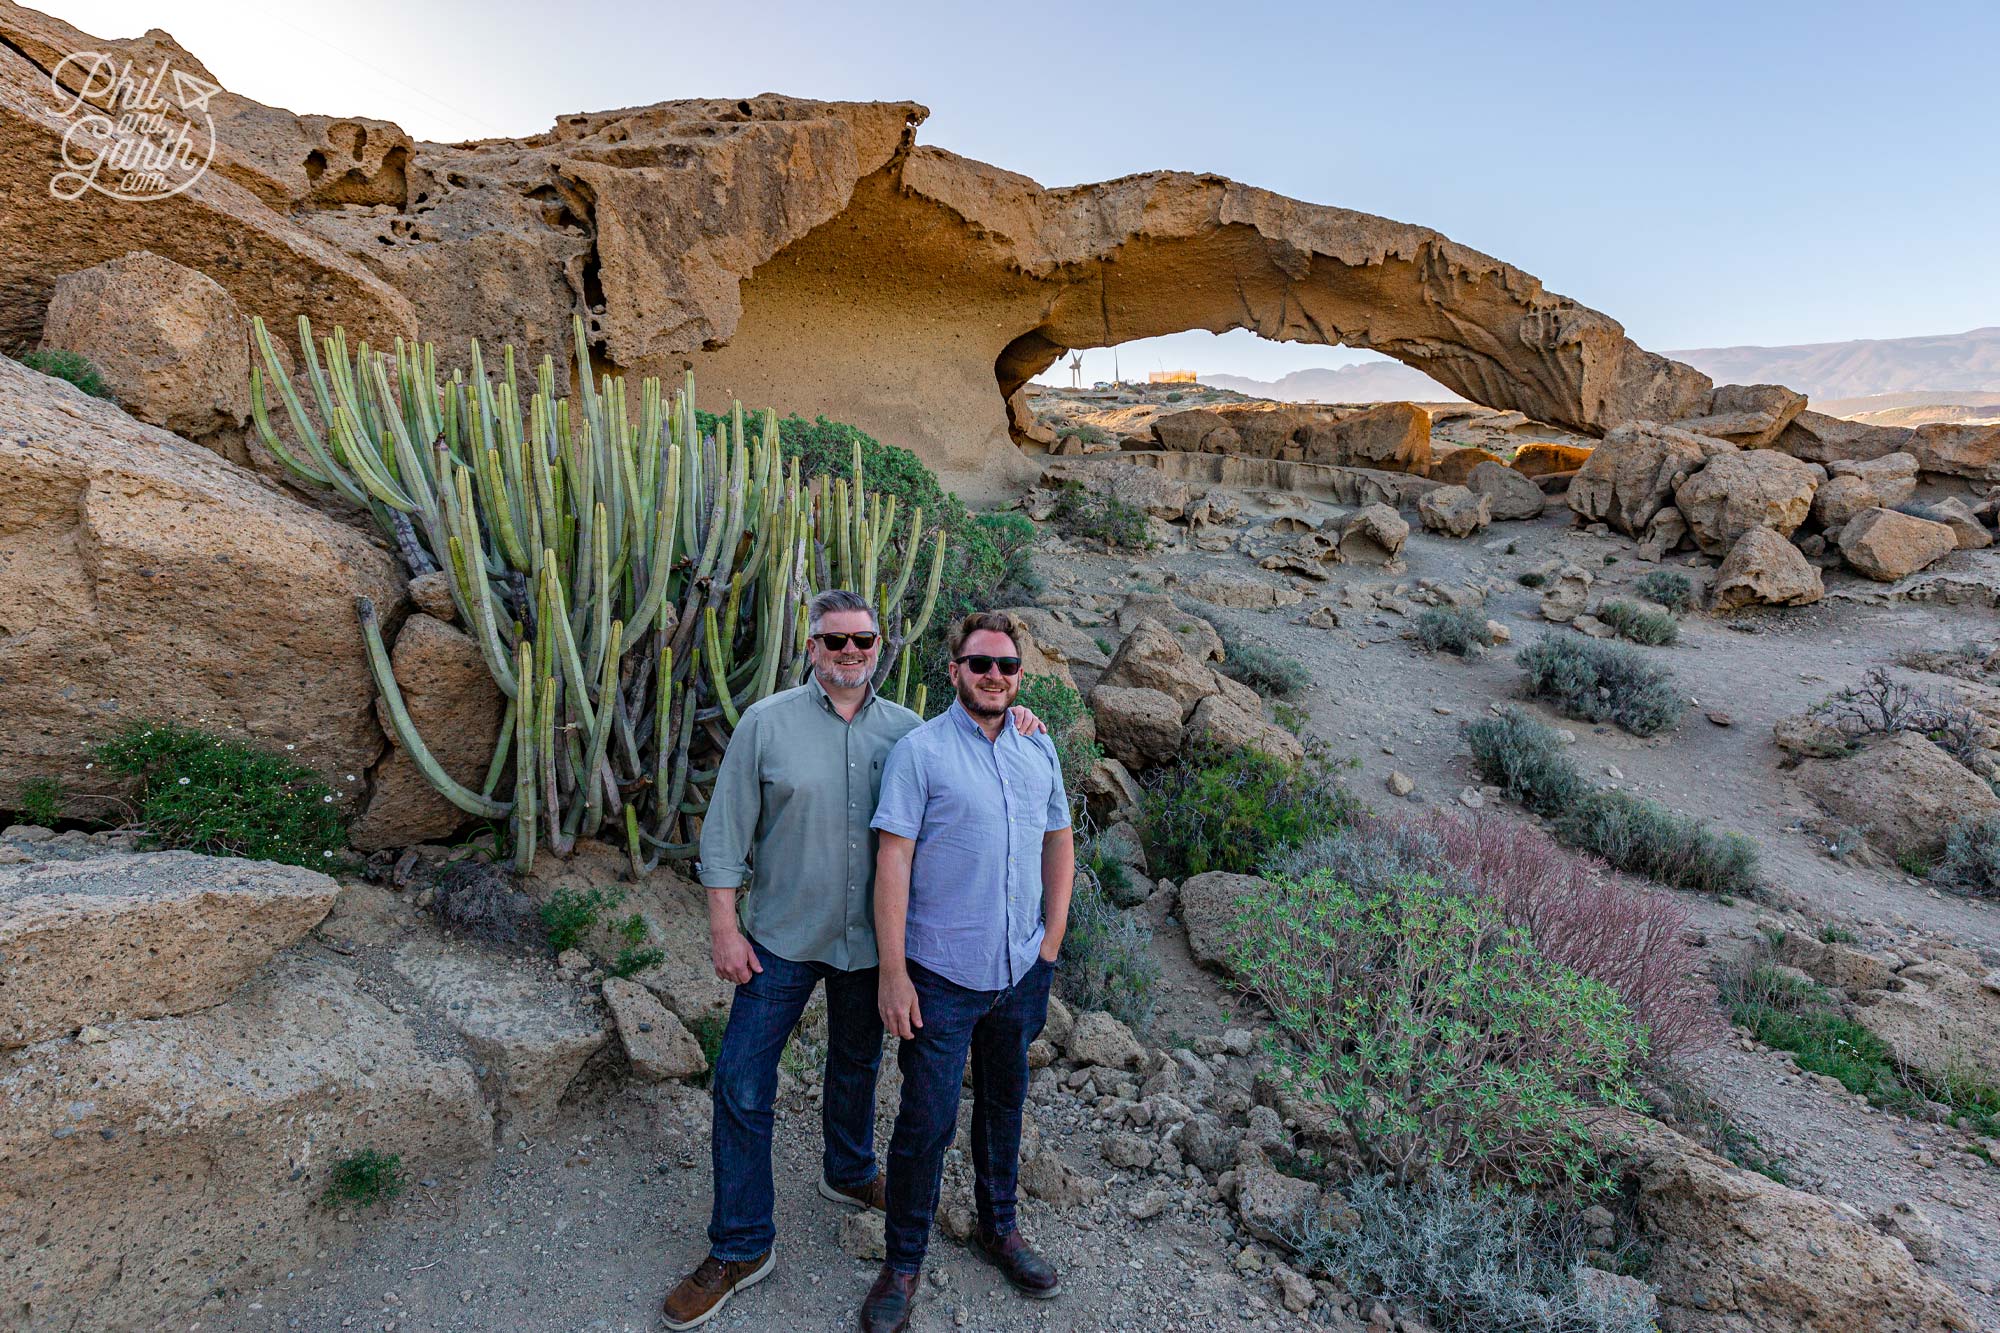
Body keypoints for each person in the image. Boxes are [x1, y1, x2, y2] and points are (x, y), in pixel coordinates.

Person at [662, 591, 1046, 1331]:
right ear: (811, 646)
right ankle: (741, 1246)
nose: (849, 653)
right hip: (779, 937)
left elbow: (975, 748)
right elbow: (725, 831)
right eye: (834, 641)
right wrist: (722, 925)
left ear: (880, 647)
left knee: (855, 1065)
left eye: (862, 641)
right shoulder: (766, 723)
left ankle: (847, 1171)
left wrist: (1021, 721)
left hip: (869, 946)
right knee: (741, 1081)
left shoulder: (908, 734)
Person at [859, 610, 1076, 1333]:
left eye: (1007, 665)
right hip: (941, 974)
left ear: (1019, 674)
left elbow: (1059, 838)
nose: (994, 675)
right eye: (980, 663)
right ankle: (904, 1262)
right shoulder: (921, 752)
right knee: (926, 1121)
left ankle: (1000, 1227)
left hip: (1020, 968)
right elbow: (893, 862)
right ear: (953, 669)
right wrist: (894, 972)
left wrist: (1053, 940)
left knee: (1004, 1104)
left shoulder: (1036, 748)